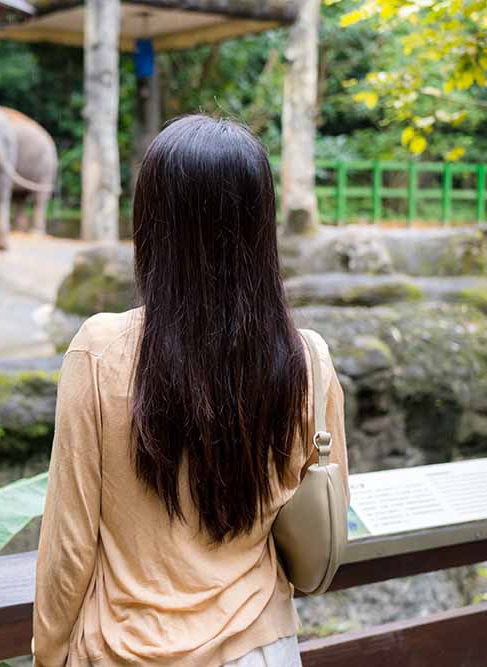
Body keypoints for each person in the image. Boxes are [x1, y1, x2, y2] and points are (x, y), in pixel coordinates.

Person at [32, 115, 348, 667]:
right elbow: (330, 501)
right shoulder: (307, 360)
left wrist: (48, 653)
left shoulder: (99, 351)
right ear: (259, 225)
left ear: (152, 222)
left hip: (124, 650)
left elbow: (69, 544)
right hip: (261, 648)